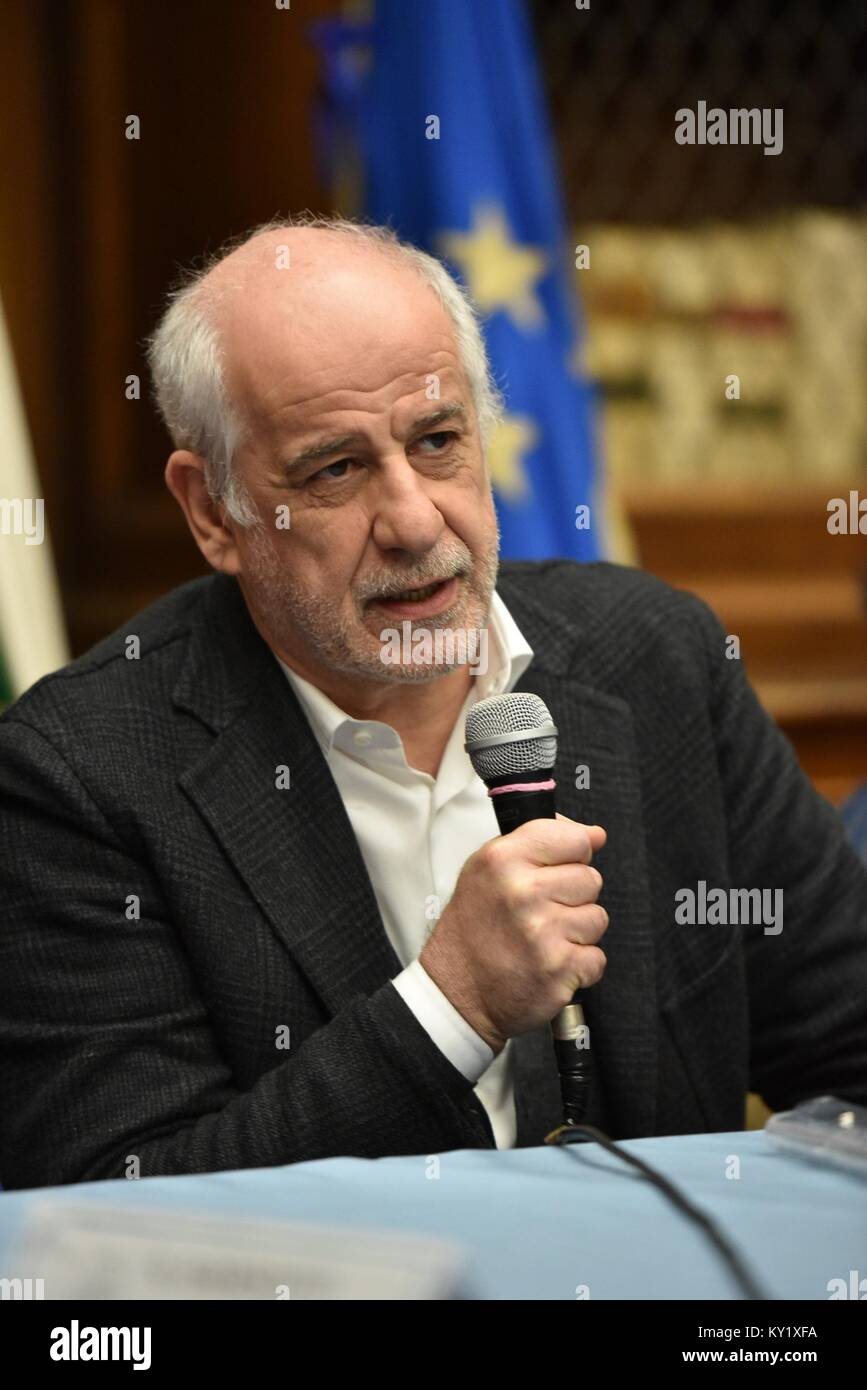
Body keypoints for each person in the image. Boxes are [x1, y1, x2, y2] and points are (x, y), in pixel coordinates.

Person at [1, 214, 865, 1191]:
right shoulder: (80, 771)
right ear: (213, 510)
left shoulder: (657, 662)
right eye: (336, 468)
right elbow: (119, 1210)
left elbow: (851, 1041)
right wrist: (451, 1005)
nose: (415, 520)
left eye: (438, 440)